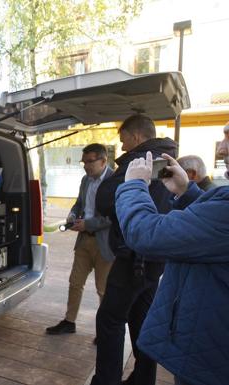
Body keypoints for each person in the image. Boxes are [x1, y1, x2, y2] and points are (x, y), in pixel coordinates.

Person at [115, 151, 229, 385]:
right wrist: (187, 192)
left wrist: (133, 186)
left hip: (209, 362)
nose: (222, 150)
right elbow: (211, 227)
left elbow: (145, 234)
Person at [91, 114, 178, 385]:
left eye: (124, 139)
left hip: (134, 257)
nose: (123, 146)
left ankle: (106, 381)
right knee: (141, 318)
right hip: (155, 257)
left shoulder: (140, 162)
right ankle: (143, 378)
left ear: (137, 136)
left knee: (110, 320)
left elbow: (105, 199)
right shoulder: (168, 161)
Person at [46, 143, 114, 337]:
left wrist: (88, 224)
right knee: (75, 282)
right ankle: (69, 321)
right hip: (84, 241)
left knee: (103, 289)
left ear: (103, 161)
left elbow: (113, 217)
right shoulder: (86, 180)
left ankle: (105, 331)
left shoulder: (115, 181)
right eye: (83, 162)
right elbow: (79, 203)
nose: (85, 166)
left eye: (90, 161)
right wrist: (72, 214)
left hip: (105, 244)